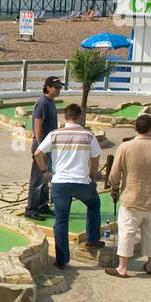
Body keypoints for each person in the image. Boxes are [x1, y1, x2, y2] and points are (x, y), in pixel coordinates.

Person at [105, 114, 151, 278]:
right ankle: (150, 265)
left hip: (131, 199)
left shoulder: (125, 147)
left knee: (127, 232)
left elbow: (114, 173)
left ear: (135, 128)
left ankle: (122, 268)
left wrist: (114, 187)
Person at [34, 103, 104, 269]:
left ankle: (62, 259)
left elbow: (38, 153)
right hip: (81, 181)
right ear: (80, 117)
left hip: (60, 182)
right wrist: (92, 176)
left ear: (65, 118)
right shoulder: (88, 135)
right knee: (94, 204)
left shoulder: (55, 134)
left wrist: (45, 171)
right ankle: (92, 239)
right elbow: (95, 158)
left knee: (61, 219)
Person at [24, 76, 62, 221]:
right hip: (42, 146)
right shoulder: (42, 103)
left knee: (45, 178)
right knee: (37, 178)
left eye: (59, 87)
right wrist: (41, 148)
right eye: (56, 87)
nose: (58, 90)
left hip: (49, 146)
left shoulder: (50, 102)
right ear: (47, 87)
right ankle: (31, 209)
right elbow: (37, 126)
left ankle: (42, 205)